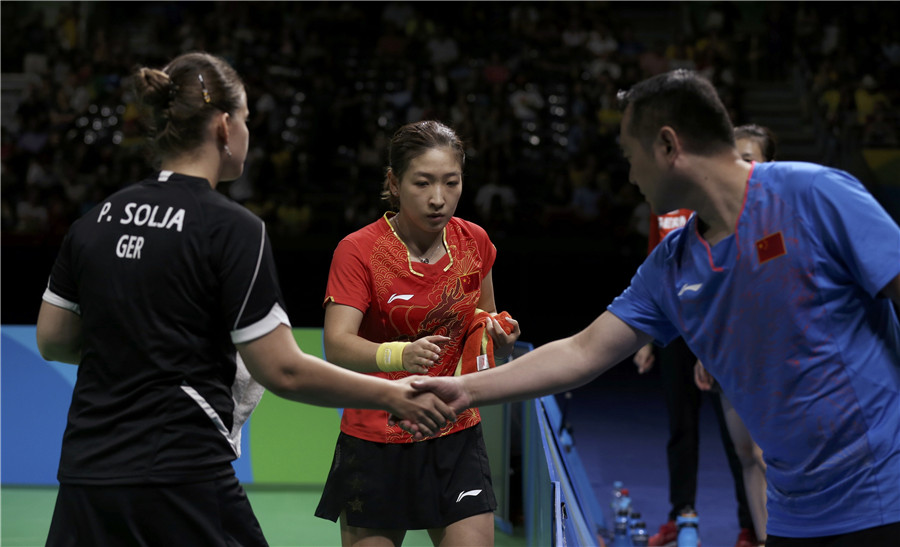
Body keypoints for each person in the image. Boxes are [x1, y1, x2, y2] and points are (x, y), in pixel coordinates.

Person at [403, 70, 900, 545]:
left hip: (886, 498)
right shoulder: (673, 265)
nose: (629, 173)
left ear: (668, 146)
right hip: (796, 515)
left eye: (630, 154)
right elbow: (582, 351)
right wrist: (463, 388)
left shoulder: (812, 194)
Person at [35, 52, 454, 547]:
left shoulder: (97, 218)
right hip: (181, 473)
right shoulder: (231, 228)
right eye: (248, 120)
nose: (249, 133)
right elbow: (284, 370)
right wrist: (392, 394)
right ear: (224, 126)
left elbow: (54, 339)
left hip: (87, 474)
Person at [314, 120, 520, 547]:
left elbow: (483, 311)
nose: (438, 199)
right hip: (377, 436)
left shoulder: (475, 241)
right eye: (422, 183)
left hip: (456, 431)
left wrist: (495, 329)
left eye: (451, 182)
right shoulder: (359, 250)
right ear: (394, 181)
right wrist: (398, 356)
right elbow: (336, 344)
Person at [635, 123, 778, 547]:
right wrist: (653, 337)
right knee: (712, 439)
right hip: (693, 335)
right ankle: (686, 515)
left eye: (751, 158)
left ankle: (752, 527)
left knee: (758, 452)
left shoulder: (777, 217)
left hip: (754, 348)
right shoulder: (682, 210)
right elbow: (656, 272)